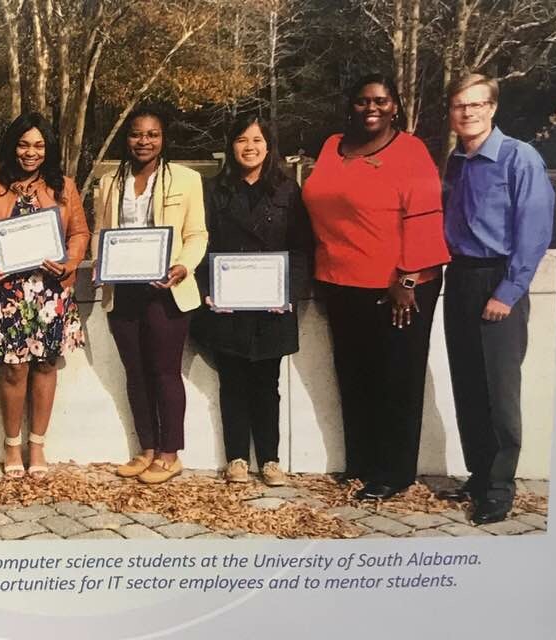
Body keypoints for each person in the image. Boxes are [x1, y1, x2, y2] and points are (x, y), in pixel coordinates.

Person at [302, 73, 451, 500]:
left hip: (398, 286)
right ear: (350, 105)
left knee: (396, 379)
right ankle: (363, 462)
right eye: (363, 101)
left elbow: (424, 215)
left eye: (381, 101)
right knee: (354, 375)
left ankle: (395, 472)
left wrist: (407, 279)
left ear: (395, 107)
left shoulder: (411, 150)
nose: (372, 108)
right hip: (339, 280)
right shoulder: (332, 145)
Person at [436, 73, 555, 524]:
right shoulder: (457, 161)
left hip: (499, 280)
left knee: (499, 389)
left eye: (476, 104)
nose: (467, 112)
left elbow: (535, 233)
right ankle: (480, 475)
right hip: (461, 278)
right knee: (468, 383)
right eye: (458, 106)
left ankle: (501, 487)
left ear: (492, 108)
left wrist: (508, 291)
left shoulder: (518, 158)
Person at [190, 114, 311, 486]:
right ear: (230, 146)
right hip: (227, 306)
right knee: (233, 383)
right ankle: (237, 458)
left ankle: (271, 460)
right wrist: (208, 289)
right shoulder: (213, 192)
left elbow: (302, 249)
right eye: (242, 140)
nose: (249, 147)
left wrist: (288, 293)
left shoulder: (289, 192)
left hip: (272, 308)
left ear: (269, 146)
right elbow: (200, 244)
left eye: (257, 140)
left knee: (267, 384)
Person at [0, 112, 89, 479]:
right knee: (12, 369)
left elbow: (80, 233)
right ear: (12, 147)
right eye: (23, 144)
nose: (31, 152)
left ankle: (37, 443)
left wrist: (70, 262)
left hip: (50, 291)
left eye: (39, 145)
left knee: (46, 365)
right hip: (6, 294)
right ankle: (11, 443)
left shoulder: (64, 187)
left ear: (48, 149)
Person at [92, 107, 207, 485]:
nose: (144, 142)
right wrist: (99, 266)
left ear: (163, 138)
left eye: (152, 135)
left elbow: (197, 235)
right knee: (135, 373)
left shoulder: (187, 180)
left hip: (167, 291)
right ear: (127, 139)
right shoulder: (109, 182)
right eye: (137, 135)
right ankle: (146, 448)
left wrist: (184, 266)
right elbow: (101, 233)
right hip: (123, 291)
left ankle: (170, 453)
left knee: (164, 372)